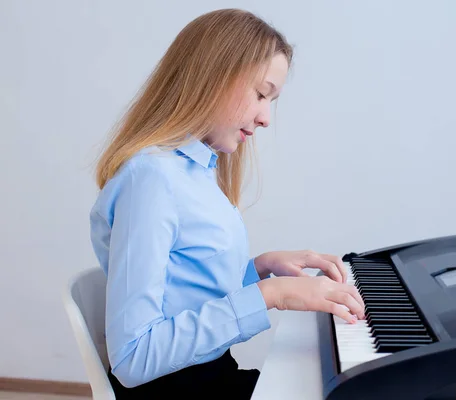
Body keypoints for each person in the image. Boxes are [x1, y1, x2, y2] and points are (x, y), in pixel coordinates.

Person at [89, 8, 365, 400]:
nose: (267, 118)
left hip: (210, 377)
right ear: (213, 76)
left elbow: (184, 293)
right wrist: (273, 295)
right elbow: (134, 359)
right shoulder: (151, 178)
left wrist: (261, 269)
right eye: (260, 94)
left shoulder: (195, 172)